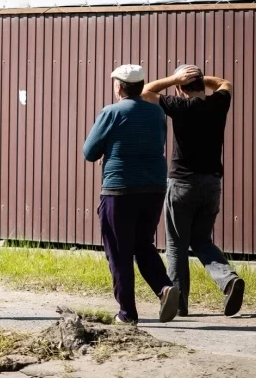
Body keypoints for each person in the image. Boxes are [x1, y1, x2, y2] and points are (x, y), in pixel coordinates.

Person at [83, 64, 184, 325]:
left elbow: (89, 152)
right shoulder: (156, 113)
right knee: (143, 244)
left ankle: (127, 314)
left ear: (118, 87)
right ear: (140, 86)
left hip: (119, 190)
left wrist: (108, 149)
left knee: (119, 251)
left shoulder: (111, 112)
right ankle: (164, 288)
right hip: (153, 189)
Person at [141, 65, 245, 317]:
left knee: (176, 245)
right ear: (201, 85)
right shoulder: (218, 103)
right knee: (201, 240)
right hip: (212, 183)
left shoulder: (180, 106)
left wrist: (175, 78)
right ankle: (229, 280)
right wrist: (199, 77)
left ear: (180, 88)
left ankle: (179, 303)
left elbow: (145, 91)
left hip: (182, 184)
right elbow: (225, 83)